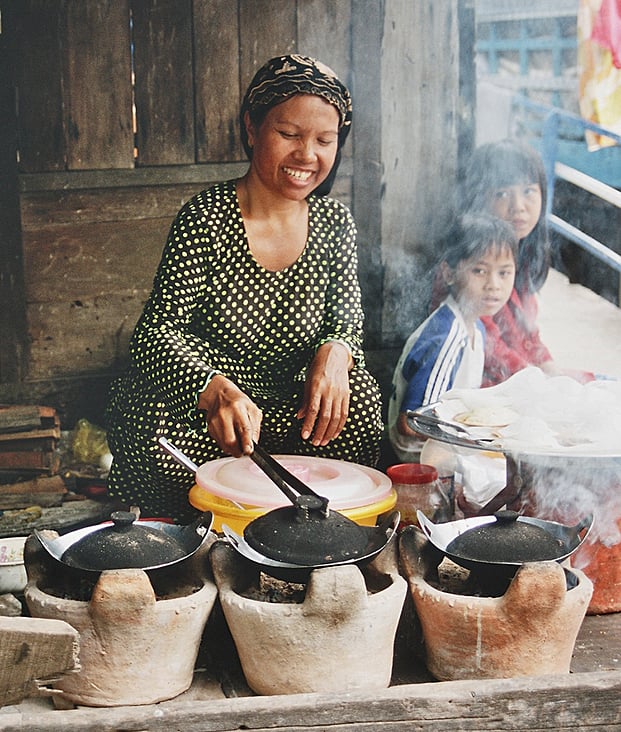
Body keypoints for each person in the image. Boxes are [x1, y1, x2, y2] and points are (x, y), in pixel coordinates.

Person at [105, 54, 383, 522]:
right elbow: (155, 333)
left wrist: (337, 351)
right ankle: (182, 535)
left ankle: (321, 530)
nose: (306, 155)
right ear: (252, 128)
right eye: (289, 134)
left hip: (293, 412)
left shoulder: (336, 223)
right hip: (218, 414)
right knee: (149, 410)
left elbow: (347, 319)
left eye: (324, 140)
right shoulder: (207, 218)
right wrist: (212, 388)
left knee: (359, 398)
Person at [432, 139, 593, 386]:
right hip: (484, 389)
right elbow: (490, 348)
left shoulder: (523, 251)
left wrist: (550, 369)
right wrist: (542, 382)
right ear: (479, 198)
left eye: (528, 191)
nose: (518, 207)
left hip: (521, 378)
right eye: (503, 194)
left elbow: (529, 334)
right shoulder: (467, 262)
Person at [388, 213, 518, 462]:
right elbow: (413, 422)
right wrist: (478, 440)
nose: (494, 284)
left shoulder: (475, 327)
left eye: (504, 273)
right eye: (479, 271)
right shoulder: (447, 337)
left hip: (446, 449)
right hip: (419, 461)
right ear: (448, 273)